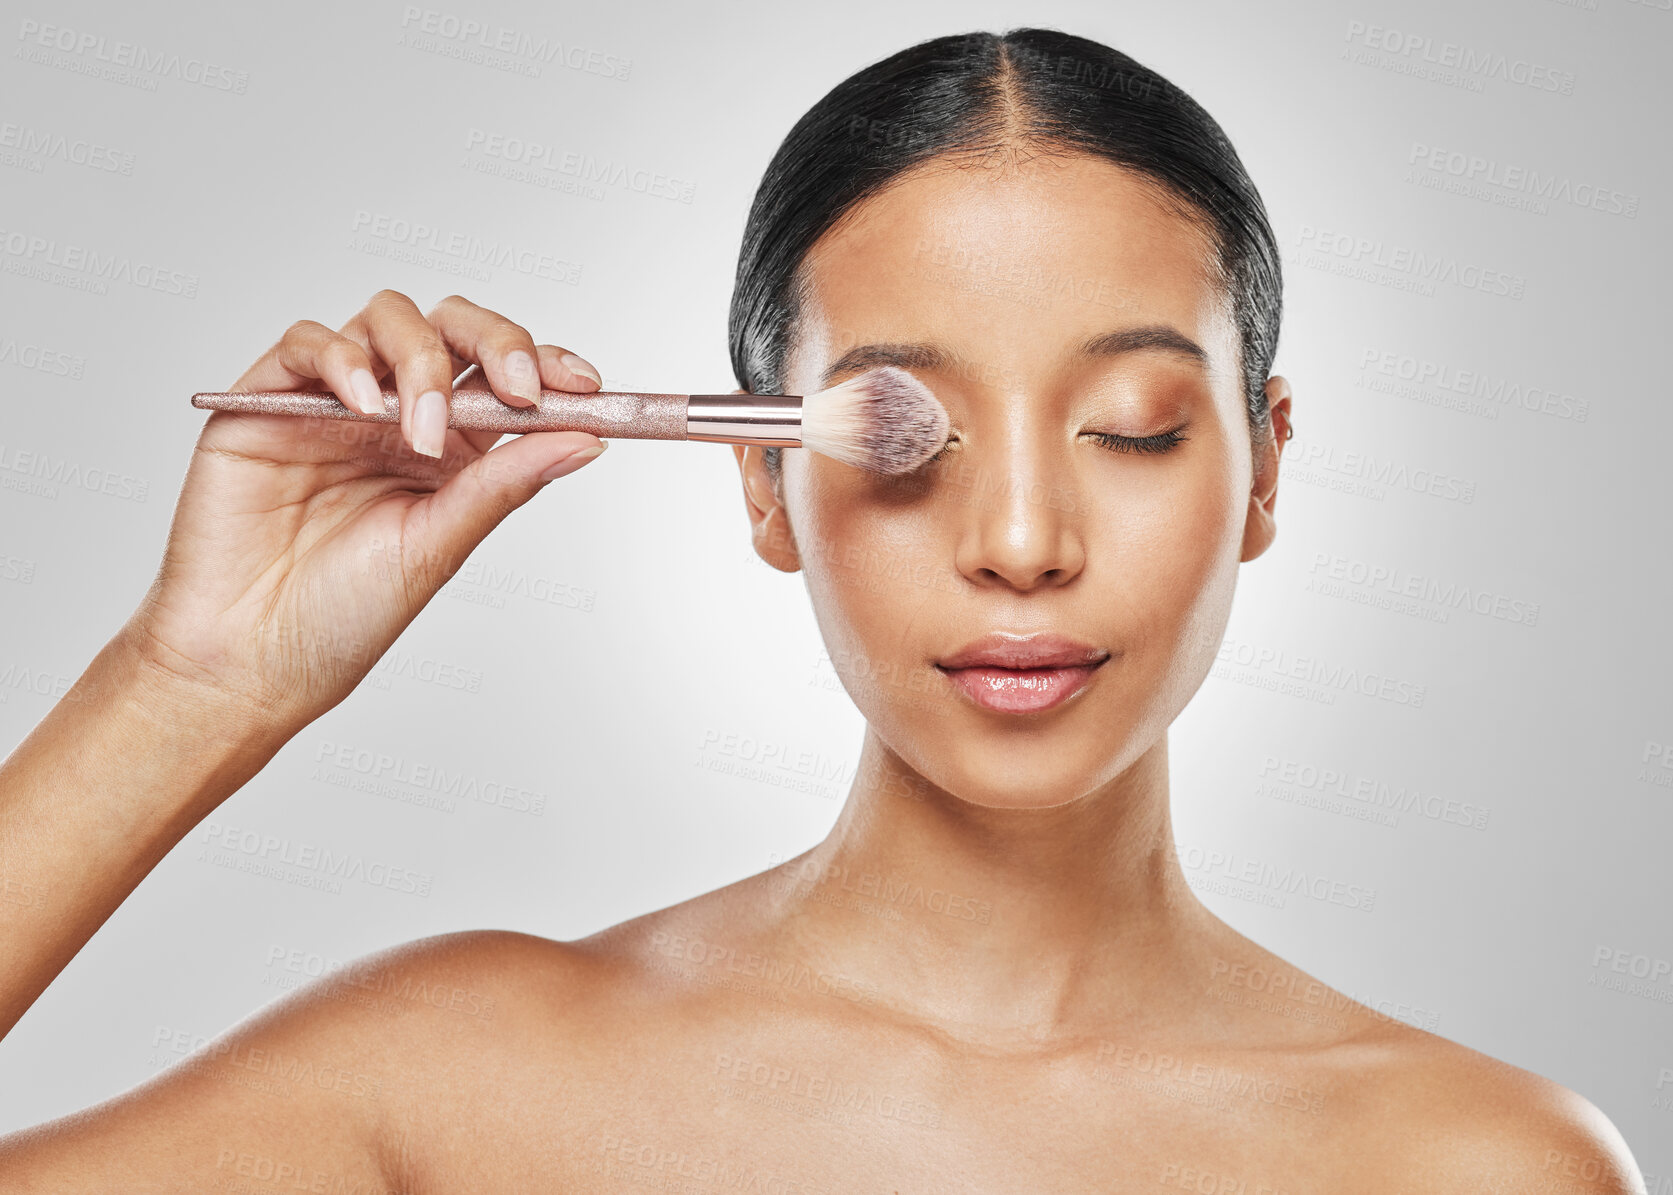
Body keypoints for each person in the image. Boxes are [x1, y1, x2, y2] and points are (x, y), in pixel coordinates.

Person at [0, 26, 1646, 1193]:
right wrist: (190, 684)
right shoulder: (455, 1079)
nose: (1018, 538)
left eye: (1131, 425)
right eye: (911, 433)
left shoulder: (1475, 1165)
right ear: (760, 480)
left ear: (1265, 469)